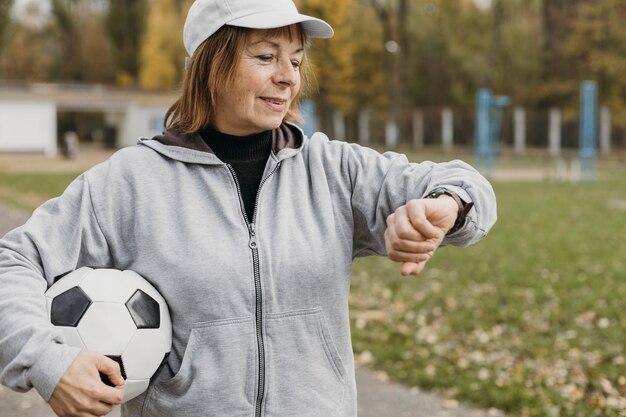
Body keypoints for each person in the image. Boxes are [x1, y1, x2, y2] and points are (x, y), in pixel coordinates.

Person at [0, 0, 497, 416]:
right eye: (265, 56)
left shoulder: (333, 170)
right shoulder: (132, 182)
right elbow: (13, 262)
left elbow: (466, 185)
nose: (287, 78)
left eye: (297, 61)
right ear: (210, 64)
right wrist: (48, 362)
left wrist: (445, 207)